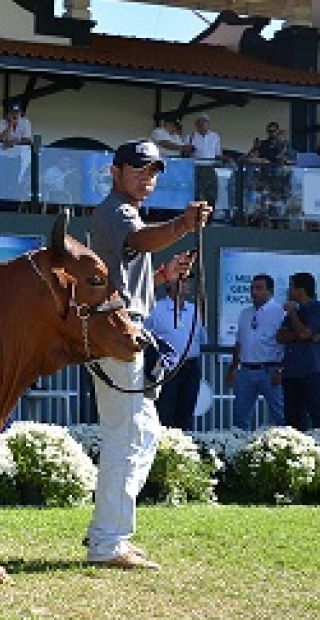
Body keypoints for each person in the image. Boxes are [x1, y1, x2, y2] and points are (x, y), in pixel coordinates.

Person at [85, 138, 209, 570]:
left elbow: (131, 263)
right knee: (128, 434)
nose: (148, 176)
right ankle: (107, 540)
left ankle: (109, 527)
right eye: (139, 168)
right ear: (115, 171)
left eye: (154, 170)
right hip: (116, 335)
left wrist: (161, 275)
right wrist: (182, 224)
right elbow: (141, 238)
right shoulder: (116, 211)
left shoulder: (125, 213)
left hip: (122, 332)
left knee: (144, 433)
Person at [144, 279, 207, 431]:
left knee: (186, 411)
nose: (187, 285)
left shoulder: (194, 310)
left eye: (187, 282)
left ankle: (182, 447)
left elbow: (202, 337)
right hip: (167, 367)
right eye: (182, 281)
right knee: (164, 411)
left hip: (191, 367)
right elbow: (145, 335)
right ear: (170, 286)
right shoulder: (156, 308)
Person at [226, 274, 286, 431]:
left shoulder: (279, 313)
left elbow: (287, 344)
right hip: (245, 370)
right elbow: (239, 342)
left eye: (259, 288)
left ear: (270, 291)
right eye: (252, 288)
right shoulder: (245, 313)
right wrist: (233, 367)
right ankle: (240, 450)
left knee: (280, 414)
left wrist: (281, 370)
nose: (254, 292)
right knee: (240, 416)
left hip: (270, 370)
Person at [276, 272, 320, 433]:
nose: (288, 291)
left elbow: (303, 333)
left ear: (300, 290)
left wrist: (294, 315)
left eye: (291, 287)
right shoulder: (292, 313)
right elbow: (281, 336)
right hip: (291, 372)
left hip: (311, 371)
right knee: (293, 419)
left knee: (318, 416)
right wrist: (305, 334)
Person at [0, 103, 33, 206]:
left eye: (17, 113)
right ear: (8, 114)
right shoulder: (2, 123)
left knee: (14, 181)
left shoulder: (25, 122)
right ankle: (1, 206)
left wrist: (14, 142)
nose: (15, 115)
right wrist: (10, 125)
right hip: (1, 156)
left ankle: (12, 206)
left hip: (16, 156)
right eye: (13, 113)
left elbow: (28, 140)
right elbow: (1, 138)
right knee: (2, 181)